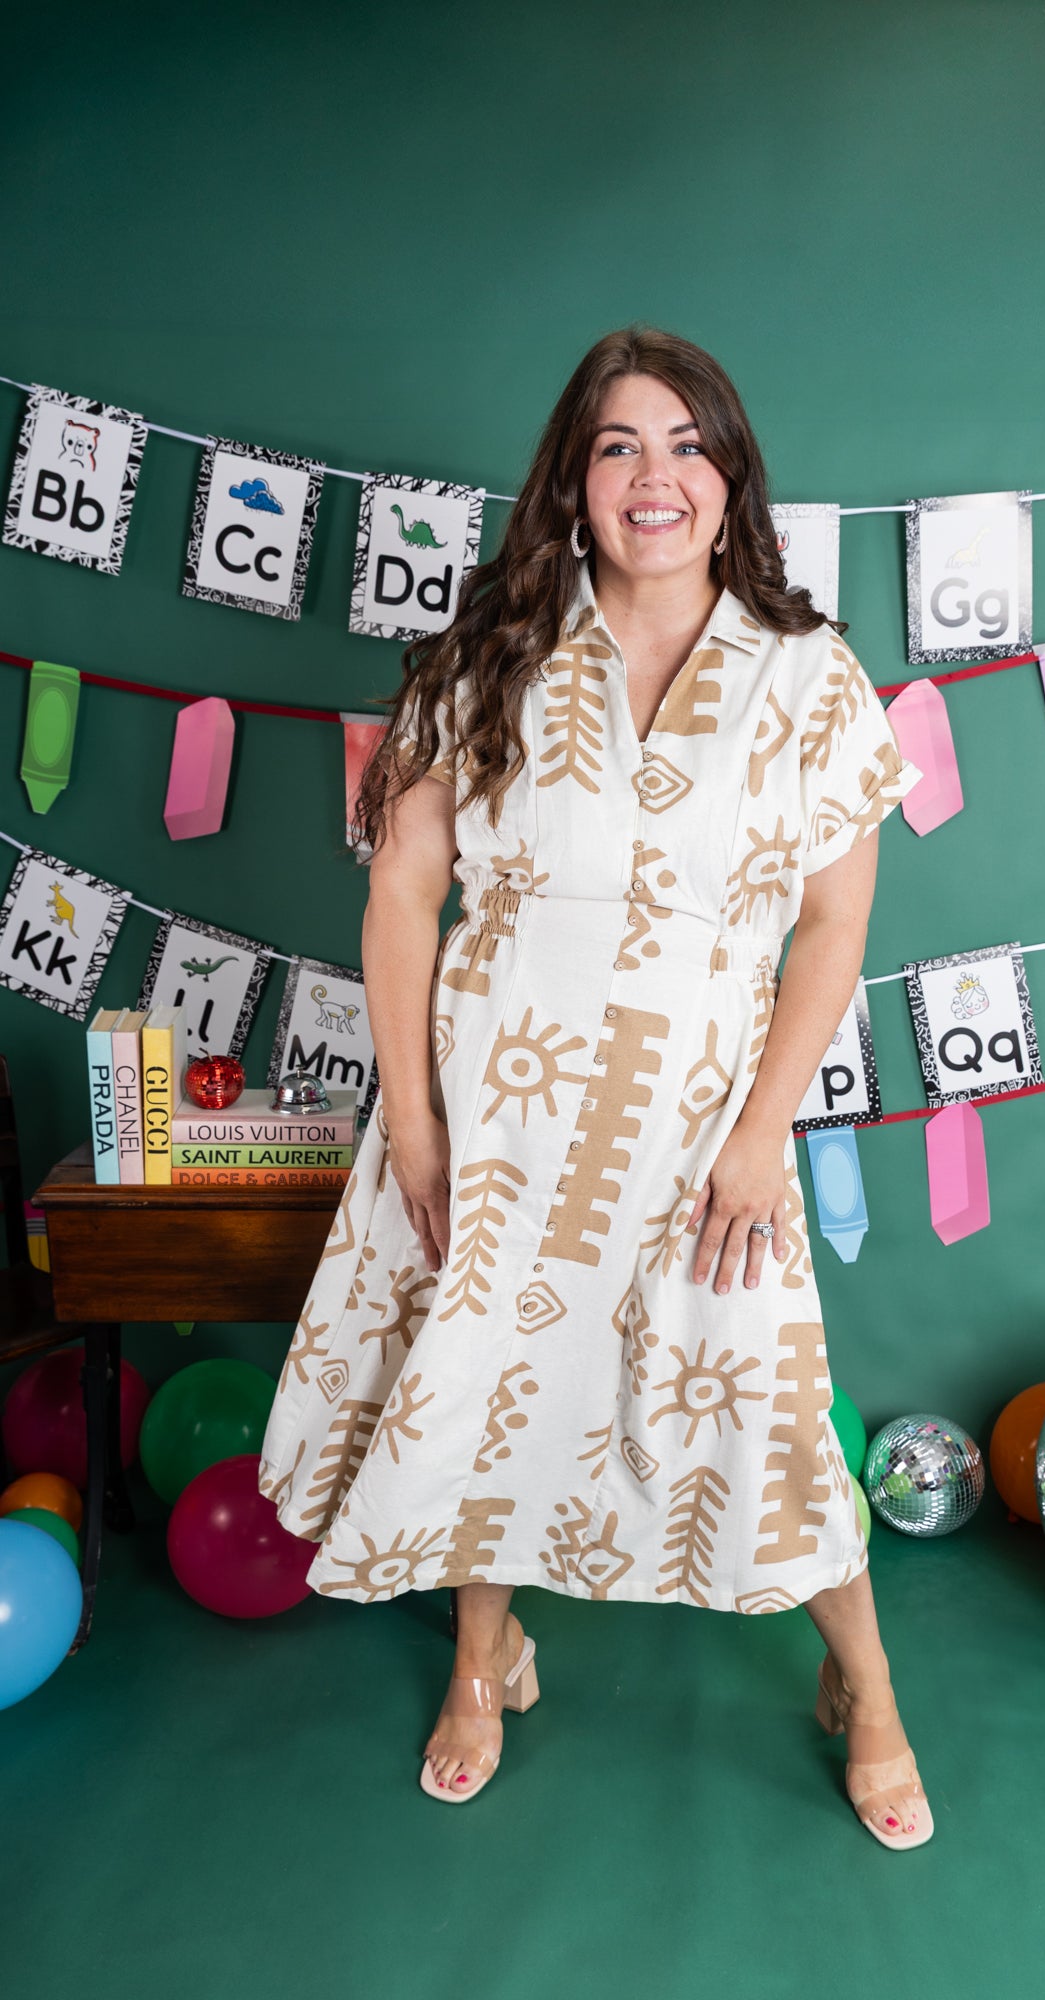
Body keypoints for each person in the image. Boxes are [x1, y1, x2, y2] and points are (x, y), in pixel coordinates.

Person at [258, 325, 934, 1850]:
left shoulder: (808, 676)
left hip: (702, 1125)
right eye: (618, 444)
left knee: (760, 1401)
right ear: (571, 478)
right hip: (500, 1112)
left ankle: (865, 1680)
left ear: (730, 477)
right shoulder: (483, 657)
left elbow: (833, 924)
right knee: (479, 1380)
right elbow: (401, 892)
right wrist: (415, 1123)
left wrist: (761, 1133)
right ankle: (482, 1655)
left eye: (687, 444)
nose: (653, 475)